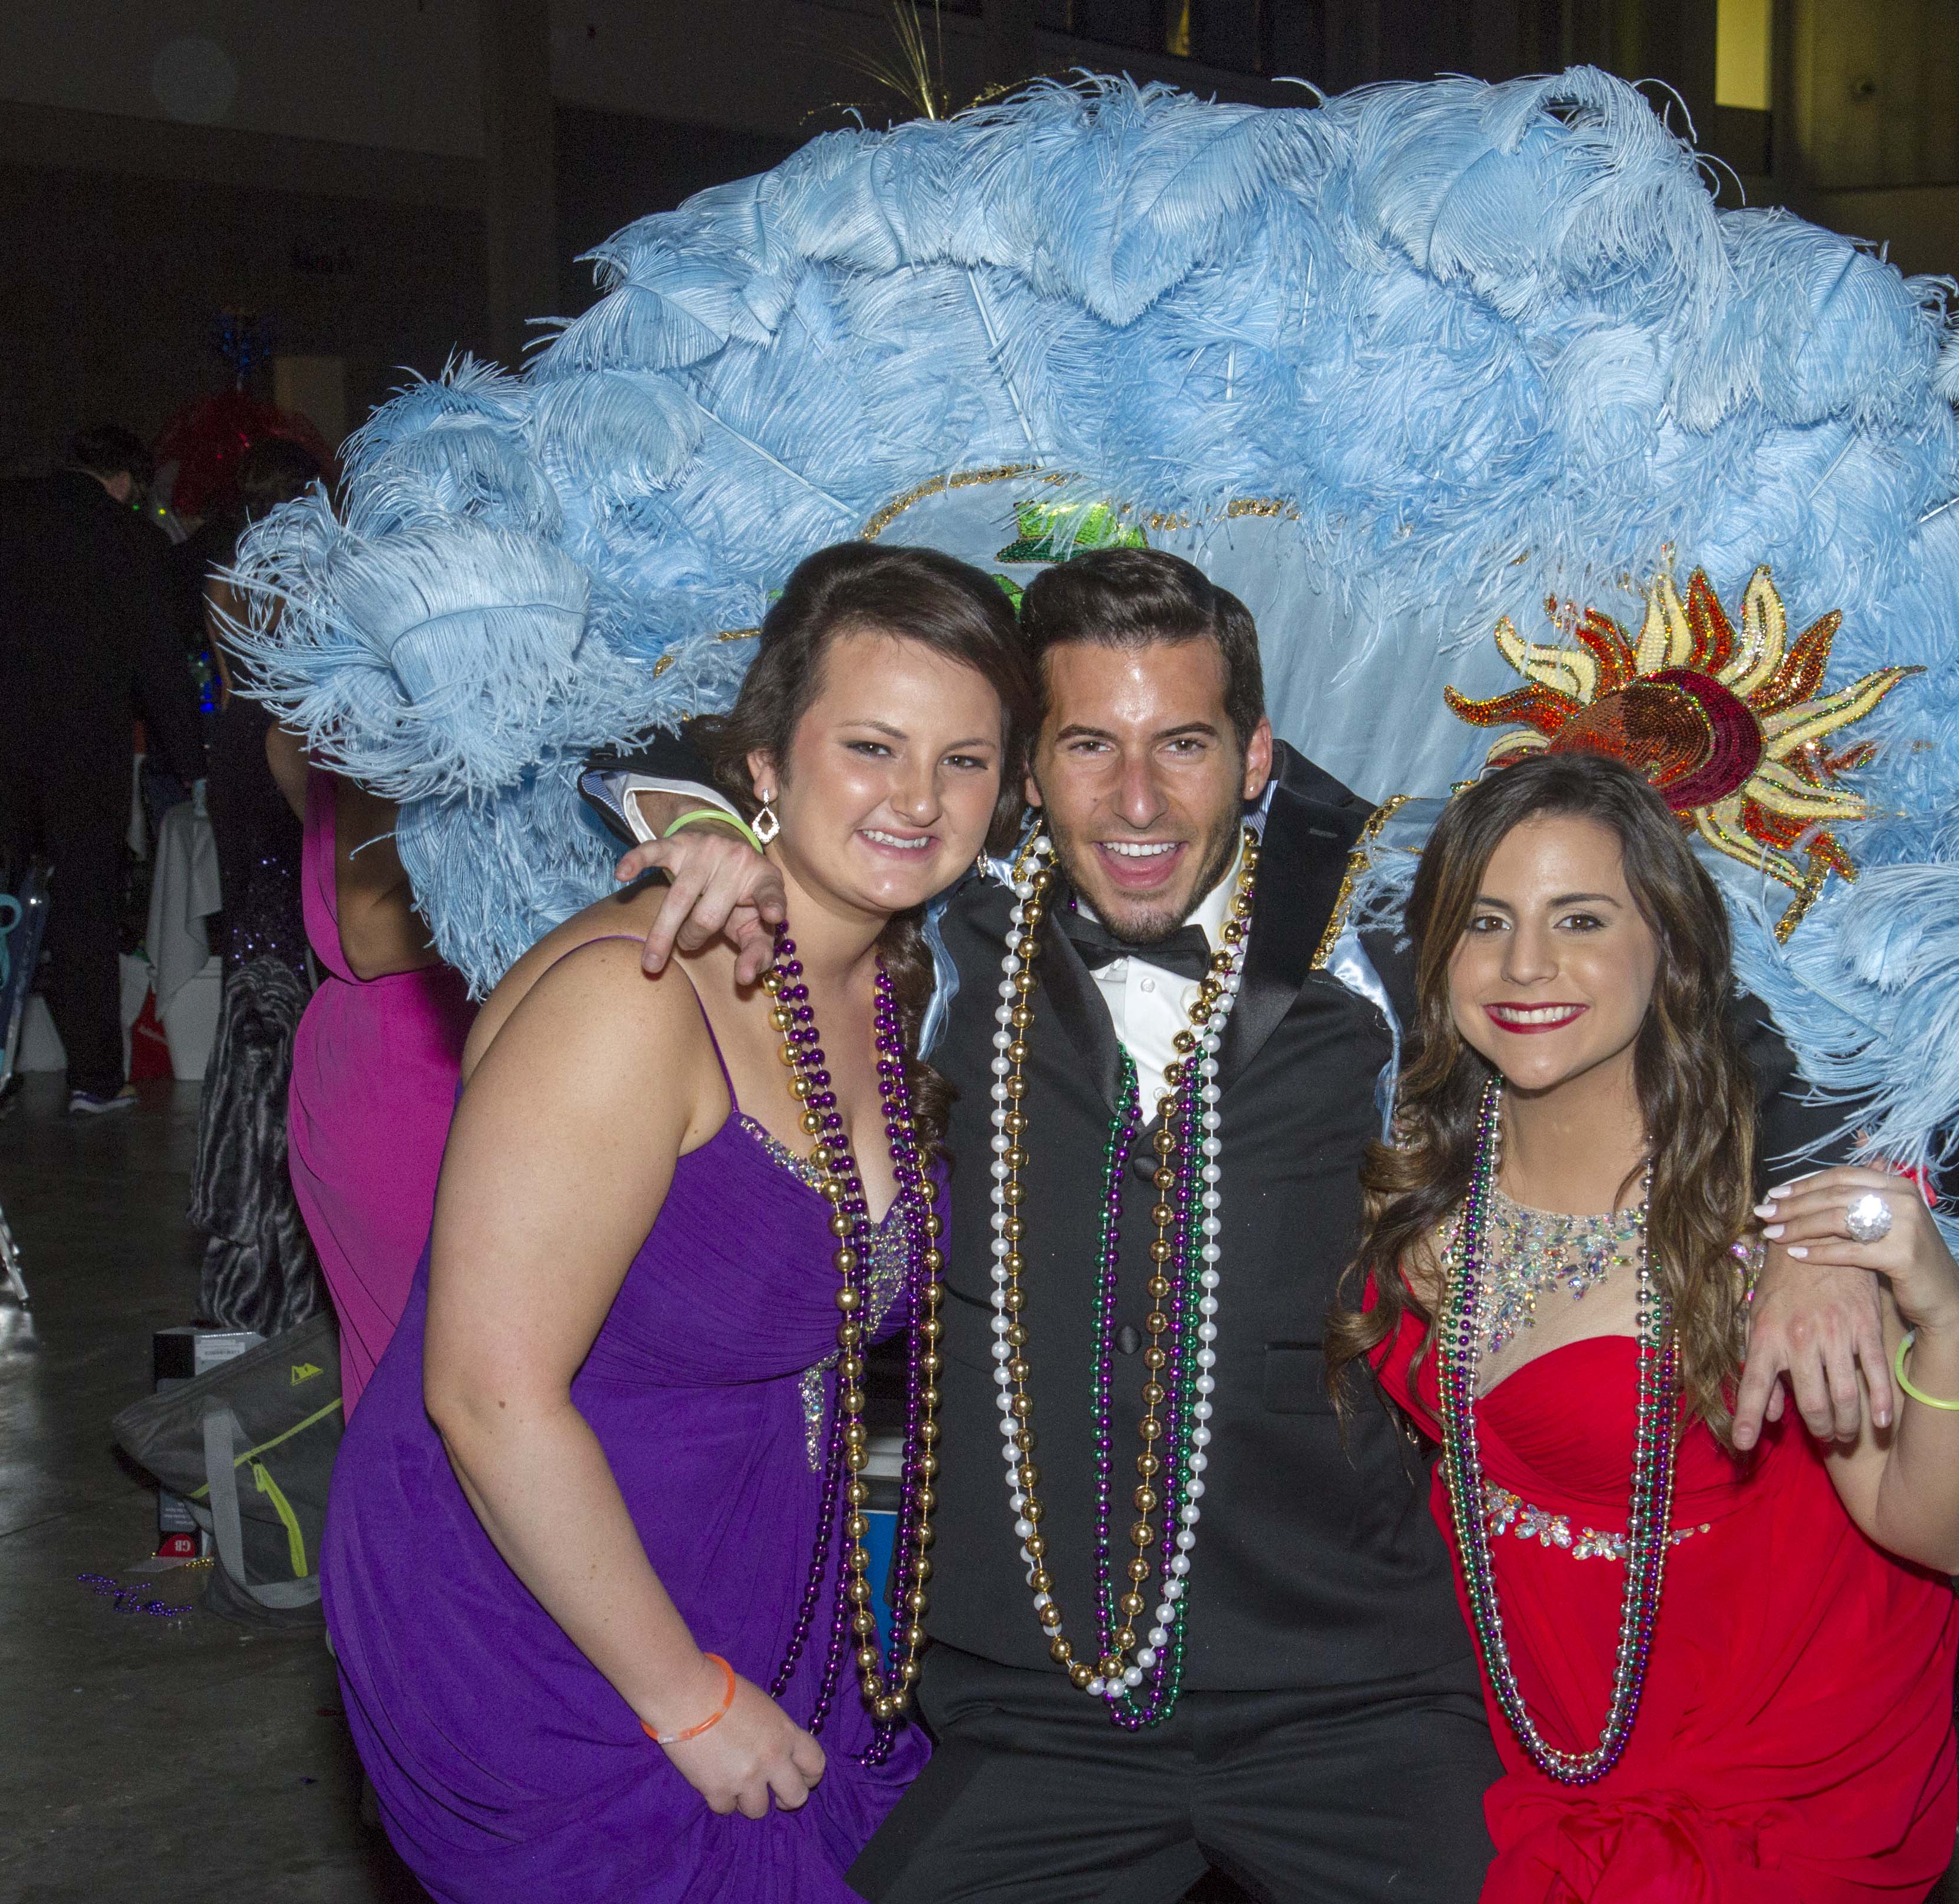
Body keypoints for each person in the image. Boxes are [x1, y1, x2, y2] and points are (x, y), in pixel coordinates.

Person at [613, 546, 1889, 1903]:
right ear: (1028, 769)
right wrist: (711, 825)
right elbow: (667, 742)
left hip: (1357, 1684)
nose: (1139, 799)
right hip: (1035, 1696)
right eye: (1088, 746)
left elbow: (1723, 1036)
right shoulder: (936, 896)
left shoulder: (1389, 903)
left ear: (1258, 752)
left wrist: (1825, 1237)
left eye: (1185, 744)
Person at [319, 542, 1035, 1900]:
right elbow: (486, 1396)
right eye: (871, 746)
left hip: (766, 1572)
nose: (916, 798)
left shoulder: (914, 982)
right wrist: (683, 1697)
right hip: (539, 1599)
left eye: (964, 760)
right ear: (764, 761)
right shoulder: (638, 996)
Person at [1331, 750, 1959, 1901]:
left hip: (1751, 1796)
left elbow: (1935, 1531)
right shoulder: (1420, 1176)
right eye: (1486, 922)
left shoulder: (1770, 1226)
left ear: (1674, 949)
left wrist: (1943, 1314)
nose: (1526, 965)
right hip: (1504, 1753)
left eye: (1580, 919)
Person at [0, 424, 208, 1113]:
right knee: (86, 907)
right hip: (84, 751)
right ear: (124, 480)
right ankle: (95, 1078)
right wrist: (192, 760)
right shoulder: (130, 536)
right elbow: (160, 663)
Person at [269, 725, 476, 1410]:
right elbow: (368, 935)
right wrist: (552, 904)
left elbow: (283, 747)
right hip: (410, 1064)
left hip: (433, 1048)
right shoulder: (392, 709)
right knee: (435, 1391)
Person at [188, 438, 331, 1337]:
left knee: (255, 920)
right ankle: (294, 1090)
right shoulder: (319, 577)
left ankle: (251, 1082)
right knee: (304, 916)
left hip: (238, 743)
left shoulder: (224, 579)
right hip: (293, 741)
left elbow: (229, 677)